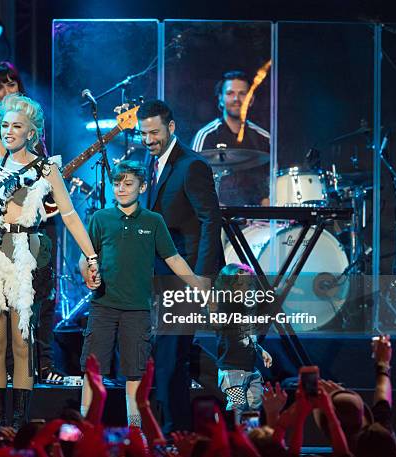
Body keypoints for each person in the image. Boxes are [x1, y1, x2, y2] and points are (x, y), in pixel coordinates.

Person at [0, 26, 99, 430]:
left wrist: (90, 256)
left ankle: (18, 420)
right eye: (6, 124)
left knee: (23, 344)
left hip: (27, 256)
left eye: (17, 126)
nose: (8, 130)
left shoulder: (45, 169)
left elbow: (70, 215)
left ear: (31, 132)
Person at [78, 161, 207, 427]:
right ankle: (85, 429)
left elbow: (172, 258)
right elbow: (85, 257)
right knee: (93, 371)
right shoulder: (100, 218)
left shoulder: (153, 221)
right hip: (103, 306)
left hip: (138, 309)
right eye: (117, 184)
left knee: (134, 373)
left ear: (143, 186)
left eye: (128, 184)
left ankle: (135, 431)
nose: (122, 189)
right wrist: (87, 274)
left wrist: (196, 284)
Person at [0, 59, 62, 386]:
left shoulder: (34, 137)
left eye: (11, 84)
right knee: (0, 322)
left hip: (38, 228)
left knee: (42, 298)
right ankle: (3, 394)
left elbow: (50, 186)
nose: (6, 91)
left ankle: (46, 363)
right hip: (3, 235)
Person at [138, 99, 223, 433]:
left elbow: (210, 221)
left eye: (154, 132)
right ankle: (170, 432)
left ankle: (176, 434)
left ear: (171, 128)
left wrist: (202, 277)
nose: (148, 139)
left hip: (184, 275)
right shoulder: (152, 164)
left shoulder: (192, 166)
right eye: (143, 133)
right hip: (159, 275)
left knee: (172, 362)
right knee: (165, 360)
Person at [191, 70, 270, 206]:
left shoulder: (264, 137)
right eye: (230, 93)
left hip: (258, 219)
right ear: (220, 99)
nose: (236, 99)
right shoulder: (206, 136)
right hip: (218, 217)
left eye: (242, 94)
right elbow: (192, 182)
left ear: (251, 100)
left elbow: (272, 181)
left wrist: (267, 207)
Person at [210, 263, 272, 414]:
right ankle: (234, 434)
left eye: (248, 284)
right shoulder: (223, 306)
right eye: (240, 284)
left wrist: (261, 351)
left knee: (255, 403)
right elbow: (216, 323)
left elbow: (249, 337)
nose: (245, 288)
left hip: (250, 369)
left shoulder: (246, 309)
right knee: (237, 406)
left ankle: (251, 435)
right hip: (232, 370)